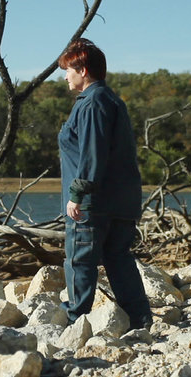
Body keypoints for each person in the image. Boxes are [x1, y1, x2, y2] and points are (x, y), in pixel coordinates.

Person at [57, 38, 152, 330]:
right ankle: (140, 322)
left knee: (80, 261)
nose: (65, 76)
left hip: (93, 203)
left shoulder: (93, 102)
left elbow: (92, 152)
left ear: (83, 70)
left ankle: (75, 324)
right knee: (118, 259)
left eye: (68, 70)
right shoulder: (112, 100)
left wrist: (77, 193)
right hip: (122, 202)